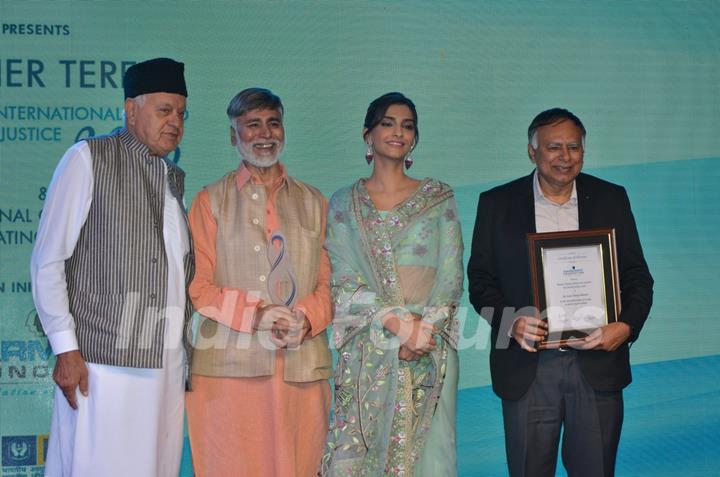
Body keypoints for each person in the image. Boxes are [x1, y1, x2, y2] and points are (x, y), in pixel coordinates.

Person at [467, 108, 654, 477]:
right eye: (554, 147)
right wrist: (511, 322)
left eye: (574, 147)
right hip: (528, 366)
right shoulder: (497, 204)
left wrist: (626, 327)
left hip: (597, 363)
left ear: (584, 151)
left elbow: (637, 277)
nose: (564, 157)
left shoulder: (610, 199)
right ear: (532, 151)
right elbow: (480, 282)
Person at [30, 57, 194, 477]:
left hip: (167, 365)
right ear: (130, 109)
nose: (174, 121)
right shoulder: (88, 158)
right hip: (103, 364)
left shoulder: (172, 177)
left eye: (181, 112)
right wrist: (67, 350)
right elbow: (49, 260)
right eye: (164, 110)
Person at [185, 87, 333, 477]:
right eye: (252, 125)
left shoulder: (315, 203)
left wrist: (307, 318)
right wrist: (257, 316)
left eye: (273, 123)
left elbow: (331, 285)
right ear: (234, 136)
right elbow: (198, 287)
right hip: (228, 371)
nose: (265, 134)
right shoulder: (210, 201)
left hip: (301, 368)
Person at [322, 92, 464, 476]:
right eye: (388, 123)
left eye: (408, 125)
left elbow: (451, 275)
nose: (398, 132)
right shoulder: (343, 204)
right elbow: (343, 281)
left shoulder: (437, 197)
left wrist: (423, 332)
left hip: (430, 347)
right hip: (370, 347)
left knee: (431, 456)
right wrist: (398, 325)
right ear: (368, 135)